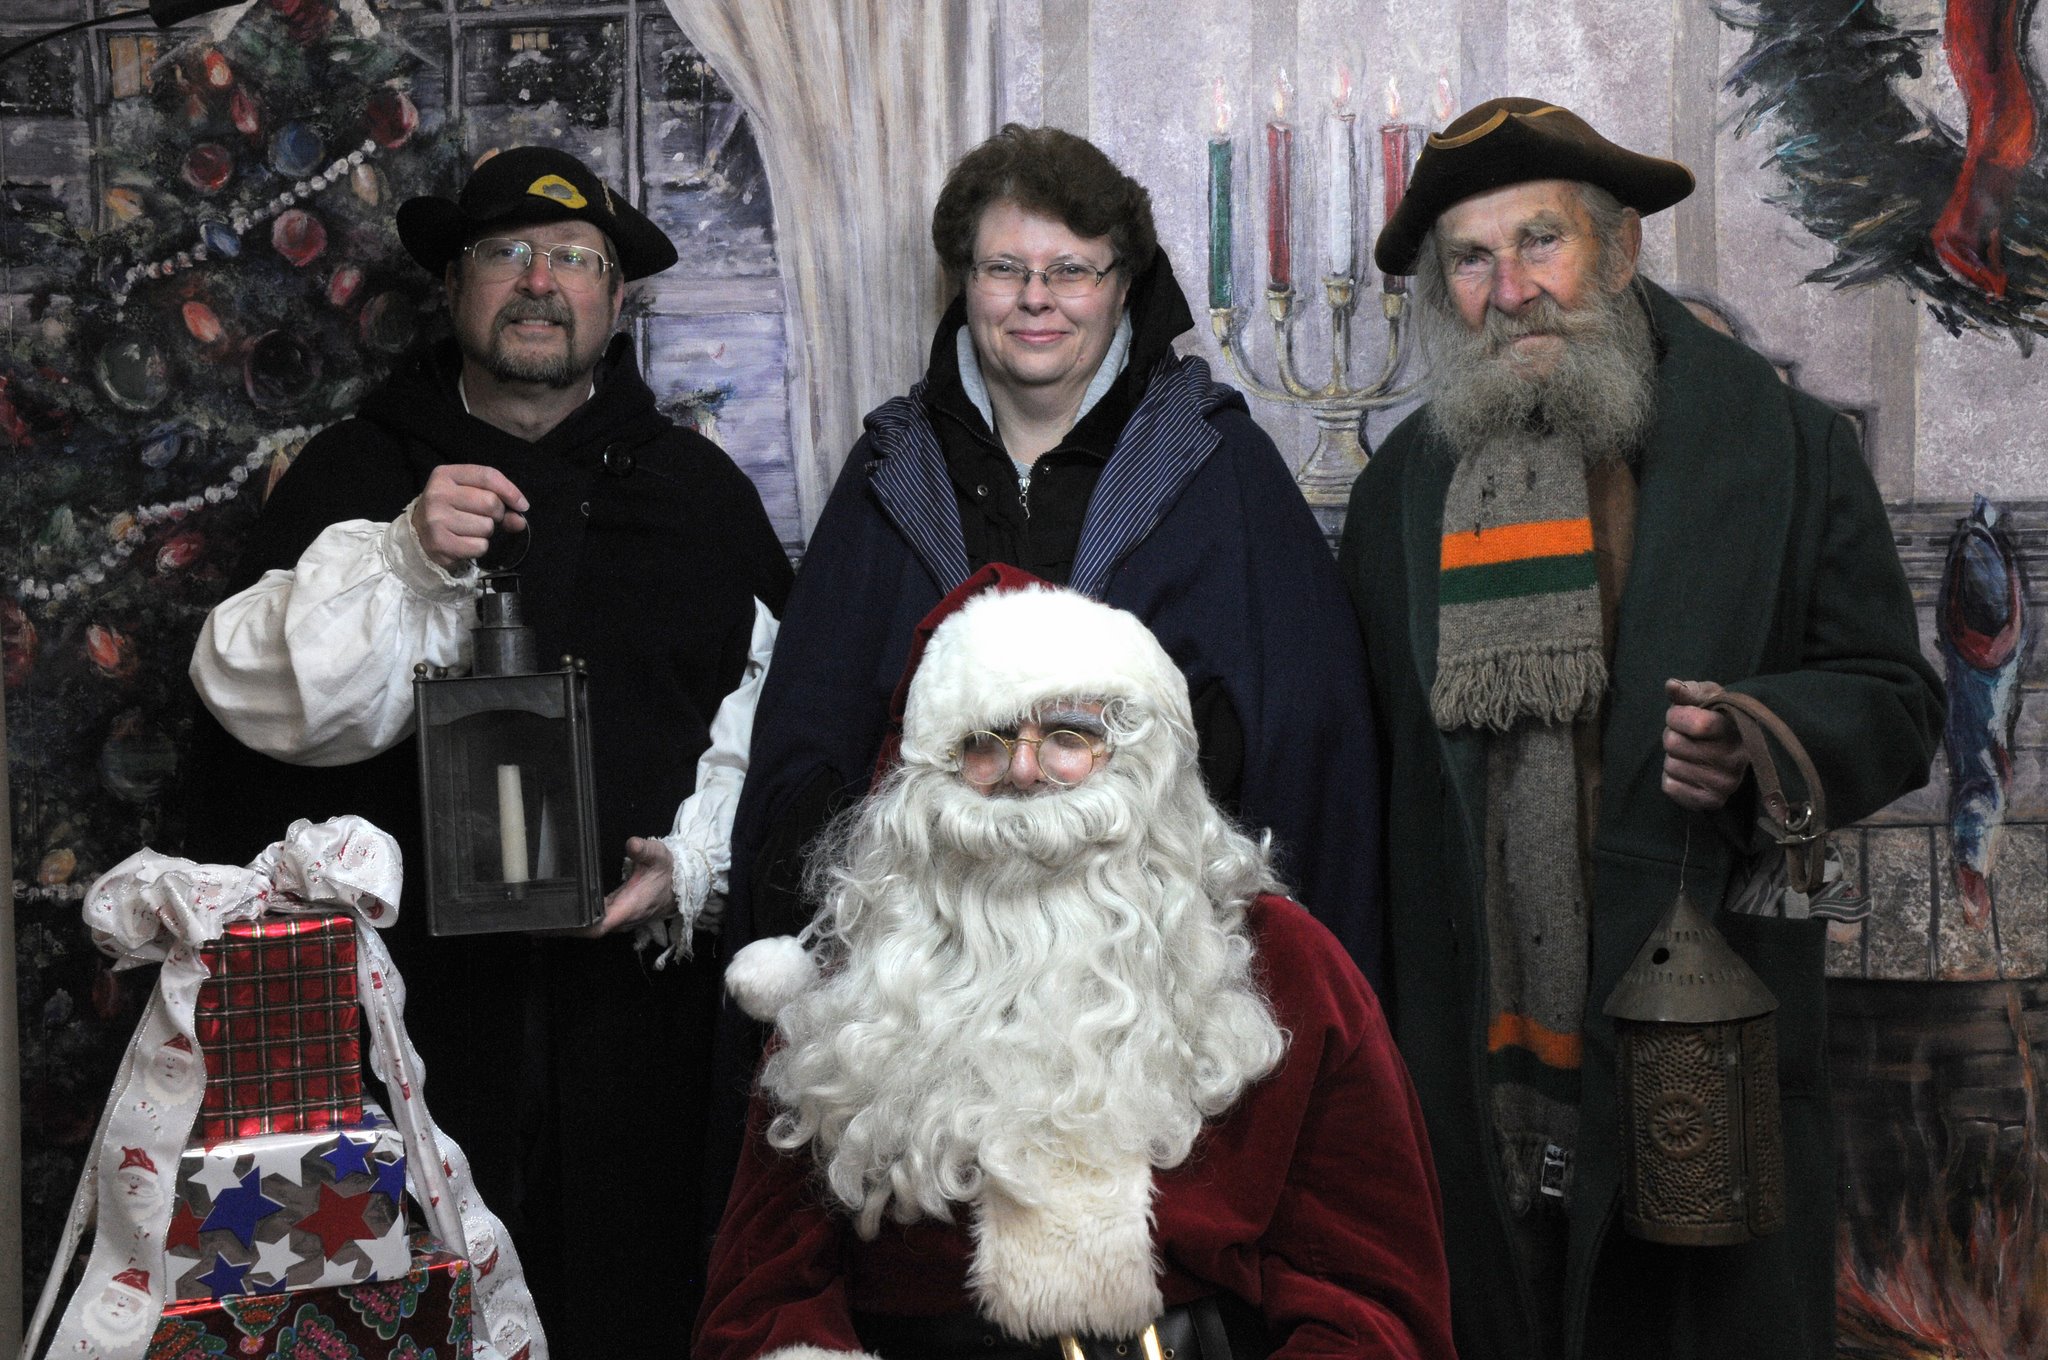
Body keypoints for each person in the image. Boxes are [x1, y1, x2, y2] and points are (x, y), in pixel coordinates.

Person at [1339, 98, 1944, 1360]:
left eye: (1539, 241)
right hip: (1471, 1047)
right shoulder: (1398, 494)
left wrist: (1762, 738)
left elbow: (1896, 702)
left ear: (1616, 251)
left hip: (1695, 1044)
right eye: (1469, 258)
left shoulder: (1784, 447)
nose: (1509, 291)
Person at [182, 145, 793, 1358]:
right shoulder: (354, 474)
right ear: (454, 284)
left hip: (634, 1030)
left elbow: (779, 719)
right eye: (506, 252)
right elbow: (243, 696)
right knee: (373, 1323)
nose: (539, 280)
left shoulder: (697, 495)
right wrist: (402, 557)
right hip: (386, 1032)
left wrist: (693, 864)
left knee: (633, 1314)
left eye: (574, 257)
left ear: (615, 298)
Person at [695, 572, 1456, 1360]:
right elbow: (760, 1300)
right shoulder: (861, 986)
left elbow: (1372, 1298)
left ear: (1141, 758)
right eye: (985, 742)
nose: (1024, 771)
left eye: (1068, 735)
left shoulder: (1283, 963)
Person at [723, 124, 1382, 977]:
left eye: (1072, 270)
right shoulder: (887, 475)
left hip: (1160, 974)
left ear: (1124, 287)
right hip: (925, 982)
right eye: (1004, 269)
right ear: (965, 284)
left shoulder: (1224, 470)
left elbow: (1315, 764)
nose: (1037, 299)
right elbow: (801, 762)